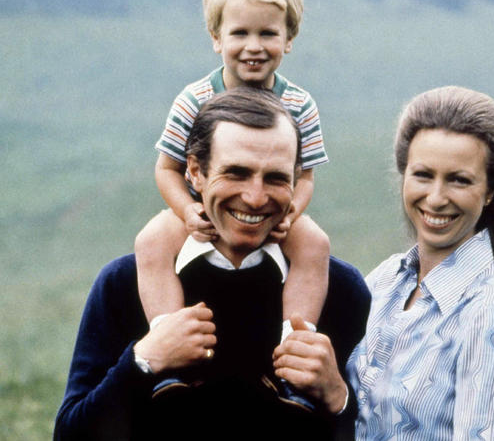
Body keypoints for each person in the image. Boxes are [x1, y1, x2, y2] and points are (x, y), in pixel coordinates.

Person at [54, 89, 370, 441]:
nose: (255, 196)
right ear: (195, 172)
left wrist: (338, 397)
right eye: (236, 173)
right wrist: (143, 361)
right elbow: (71, 434)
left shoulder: (340, 288)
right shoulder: (124, 283)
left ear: (296, 181)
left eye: (276, 178)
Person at [274, 86, 494, 440]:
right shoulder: (385, 280)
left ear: (491, 191)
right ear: (403, 175)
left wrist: (334, 393)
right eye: (423, 174)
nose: (436, 198)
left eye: (459, 180)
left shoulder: (490, 312)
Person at [135, 0, 330, 354]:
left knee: (315, 245)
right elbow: (167, 168)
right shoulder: (194, 100)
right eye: (240, 33)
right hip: (204, 213)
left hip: (273, 215)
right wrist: (187, 212)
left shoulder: (300, 104)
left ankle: (296, 340)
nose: (253, 47)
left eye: (268, 34)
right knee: (151, 241)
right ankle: (168, 337)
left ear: (289, 38)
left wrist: (290, 213)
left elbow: (305, 176)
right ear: (216, 36)